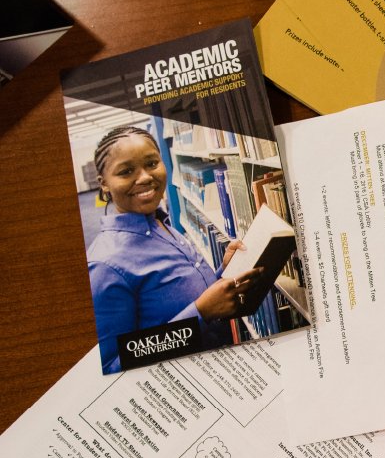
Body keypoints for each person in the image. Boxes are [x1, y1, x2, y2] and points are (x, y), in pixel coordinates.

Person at [87, 126, 261, 373]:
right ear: (104, 184)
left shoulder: (160, 221)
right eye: (126, 171)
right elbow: (113, 365)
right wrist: (200, 314)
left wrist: (224, 270)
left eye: (151, 163)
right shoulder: (104, 265)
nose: (145, 177)